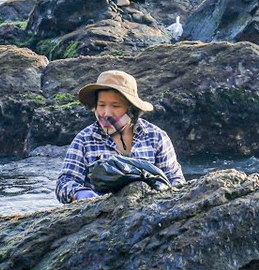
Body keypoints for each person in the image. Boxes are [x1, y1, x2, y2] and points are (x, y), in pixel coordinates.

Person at [55, 70, 185, 203]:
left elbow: (176, 180)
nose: (106, 113)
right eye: (101, 105)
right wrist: (80, 194)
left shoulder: (156, 137)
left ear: (131, 109)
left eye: (115, 106)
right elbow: (65, 182)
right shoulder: (85, 140)